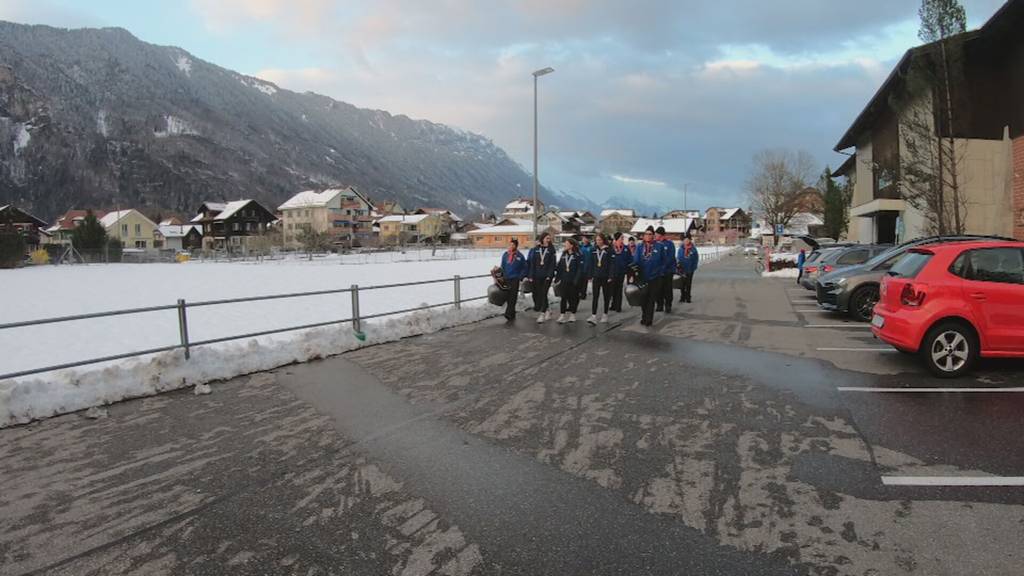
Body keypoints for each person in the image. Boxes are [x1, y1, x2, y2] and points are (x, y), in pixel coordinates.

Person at [633, 226, 664, 326]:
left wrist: (660, 272)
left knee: (651, 299)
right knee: (643, 298)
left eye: (650, 234)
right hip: (642, 277)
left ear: (653, 235)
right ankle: (644, 315)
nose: (648, 236)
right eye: (646, 234)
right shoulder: (639, 246)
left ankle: (649, 319)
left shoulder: (659, 246)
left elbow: (663, 261)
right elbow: (636, 261)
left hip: (655, 277)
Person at [526, 232, 557, 323]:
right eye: (547, 238)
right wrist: (530, 275)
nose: (548, 240)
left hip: (546, 276)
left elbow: (552, 264)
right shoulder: (536, 249)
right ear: (542, 239)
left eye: (549, 238)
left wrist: (549, 275)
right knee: (539, 294)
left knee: (544, 293)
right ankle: (547, 310)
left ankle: (542, 314)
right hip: (536, 275)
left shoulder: (551, 250)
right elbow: (532, 263)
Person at [555, 238, 583, 323]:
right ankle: (562, 315)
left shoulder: (577, 255)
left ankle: (572, 314)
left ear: (571, 245)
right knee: (563, 297)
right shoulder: (564, 254)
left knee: (573, 298)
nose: (565, 245)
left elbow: (579, 269)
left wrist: (576, 280)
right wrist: (557, 278)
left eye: (567, 244)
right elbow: (560, 266)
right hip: (564, 279)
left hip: (573, 280)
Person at [587, 233, 613, 324]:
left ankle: (605, 314)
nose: (598, 242)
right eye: (597, 240)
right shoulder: (593, 250)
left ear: (603, 240)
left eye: (600, 240)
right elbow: (591, 263)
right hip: (596, 276)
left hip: (605, 277)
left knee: (606, 296)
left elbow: (612, 264)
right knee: (595, 296)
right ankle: (593, 315)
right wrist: (590, 275)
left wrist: (610, 276)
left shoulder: (609, 250)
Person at [498, 238, 526, 322]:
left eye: (513, 245)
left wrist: (520, 276)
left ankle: (508, 313)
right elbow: (502, 266)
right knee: (507, 296)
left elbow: (524, 267)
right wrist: (500, 275)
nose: (511, 246)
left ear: (516, 246)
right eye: (510, 244)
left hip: (515, 278)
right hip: (506, 278)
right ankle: (512, 313)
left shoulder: (520, 256)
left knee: (513, 296)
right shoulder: (505, 255)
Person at [654, 227, 677, 313]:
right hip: (658, 272)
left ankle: (668, 305)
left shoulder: (669, 244)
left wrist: (663, 267)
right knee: (658, 289)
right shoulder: (655, 244)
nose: (655, 236)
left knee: (667, 289)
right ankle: (659, 304)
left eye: (656, 235)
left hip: (668, 271)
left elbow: (670, 257)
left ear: (661, 235)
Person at [609, 232, 631, 313]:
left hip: (621, 272)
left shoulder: (625, 248)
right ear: (617, 239)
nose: (622, 239)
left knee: (619, 289)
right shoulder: (611, 248)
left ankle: (618, 306)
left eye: (623, 238)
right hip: (612, 272)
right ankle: (613, 304)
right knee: (612, 289)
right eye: (621, 238)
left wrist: (629, 270)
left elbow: (629, 259)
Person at [677, 235, 699, 303]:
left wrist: (694, 267)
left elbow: (696, 259)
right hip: (682, 269)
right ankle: (682, 296)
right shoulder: (681, 249)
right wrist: (678, 265)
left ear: (690, 240)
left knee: (688, 283)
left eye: (687, 240)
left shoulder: (693, 249)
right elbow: (678, 257)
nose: (686, 241)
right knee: (682, 284)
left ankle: (688, 297)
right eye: (685, 240)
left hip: (690, 269)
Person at [578, 236, 593, 300]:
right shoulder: (580, 247)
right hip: (580, 267)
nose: (584, 240)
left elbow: (590, 260)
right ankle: (579, 293)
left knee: (584, 282)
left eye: (585, 238)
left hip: (587, 268)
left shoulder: (591, 248)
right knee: (579, 281)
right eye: (583, 239)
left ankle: (583, 294)